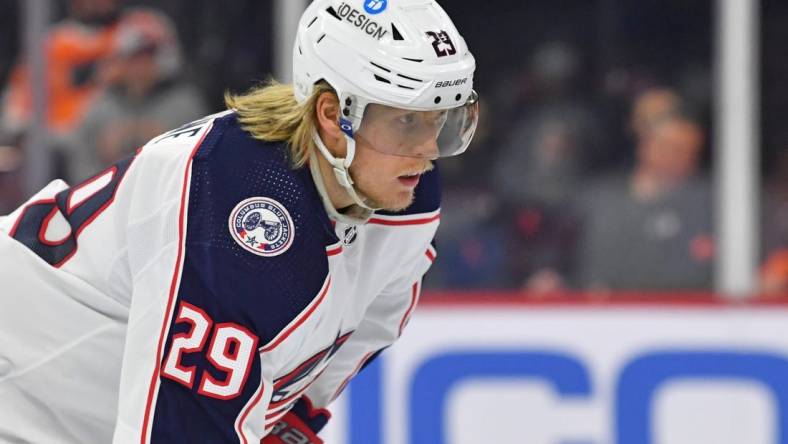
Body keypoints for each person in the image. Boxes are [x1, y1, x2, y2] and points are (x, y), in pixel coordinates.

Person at [0, 1, 479, 443]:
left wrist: (292, 418)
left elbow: (372, 320)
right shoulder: (238, 220)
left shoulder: (402, 186)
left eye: (439, 120)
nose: (428, 150)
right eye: (406, 121)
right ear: (333, 114)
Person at [573, 109, 713, 290]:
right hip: (600, 312)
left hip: (679, 314)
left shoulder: (708, 206)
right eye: (669, 146)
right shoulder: (598, 201)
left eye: (689, 151)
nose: (679, 157)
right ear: (645, 146)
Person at [66, 8, 208, 182]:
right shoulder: (98, 107)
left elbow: (199, 167)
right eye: (133, 57)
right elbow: (80, 170)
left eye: (148, 56)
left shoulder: (186, 107)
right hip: (111, 202)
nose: (140, 66)